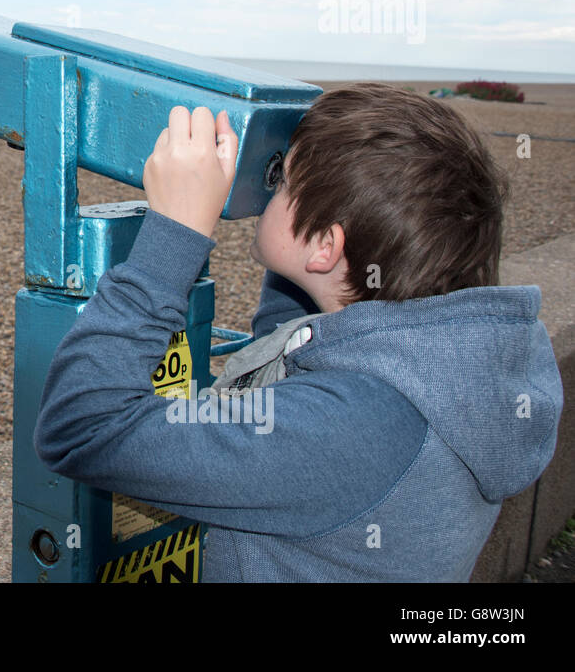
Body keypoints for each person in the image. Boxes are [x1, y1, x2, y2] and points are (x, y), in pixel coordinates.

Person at [33, 83, 563, 581]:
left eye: (282, 180)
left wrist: (176, 234)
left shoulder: (343, 429)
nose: (270, 187)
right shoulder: (449, 370)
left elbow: (82, 426)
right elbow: (293, 339)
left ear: (326, 247)